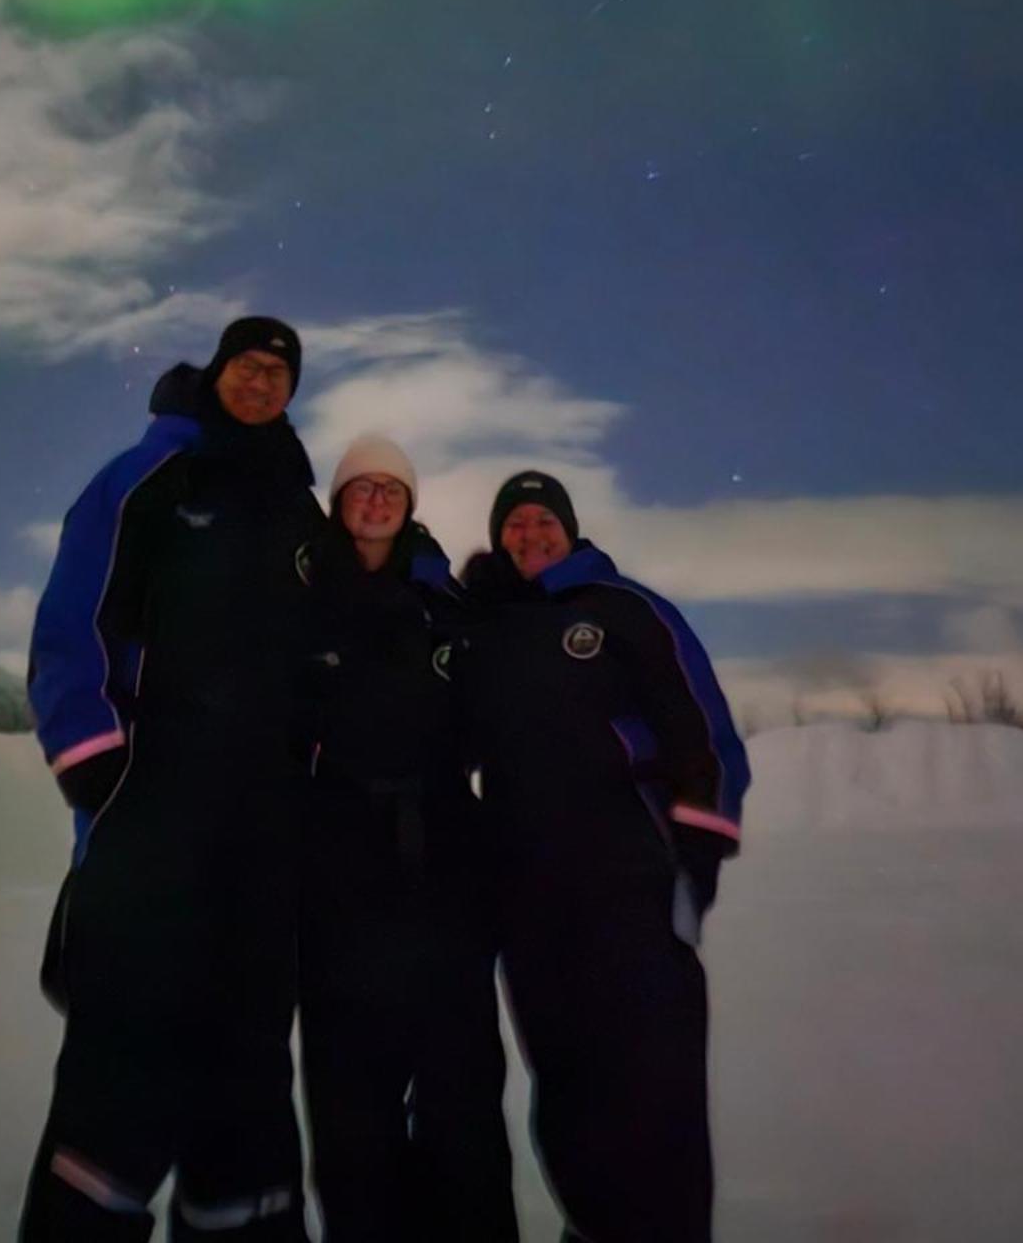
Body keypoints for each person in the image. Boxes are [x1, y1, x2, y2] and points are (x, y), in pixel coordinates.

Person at [20, 317, 322, 1243]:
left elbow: (353, 617)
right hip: (152, 809)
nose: (262, 383)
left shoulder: (301, 511)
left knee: (249, 1058)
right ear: (216, 373)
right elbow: (71, 621)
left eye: (279, 372)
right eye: (248, 366)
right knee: (127, 1053)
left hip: (264, 828)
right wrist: (96, 766)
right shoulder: (141, 479)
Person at [456, 471, 750, 1243]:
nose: (530, 534)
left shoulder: (626, 609)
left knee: (654, 1080)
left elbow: (706, 737)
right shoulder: (486, 631)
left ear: (571, 530)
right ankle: (593, 1225)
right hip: (529, 896)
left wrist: (697, 862)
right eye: (514, 524)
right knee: (565, 1077)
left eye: (543, 520)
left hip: (631, 886)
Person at [297, 436, 518, 1243]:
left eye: (393, 486)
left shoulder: (445, 600)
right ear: (340, 500)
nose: (379, 498)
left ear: (410, 502)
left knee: (460, 1086)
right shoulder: (299, 593)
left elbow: (507, 690)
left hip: (443, 870)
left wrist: (507, 606)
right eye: (363, 485)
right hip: (338, 872)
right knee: (351, 1096)